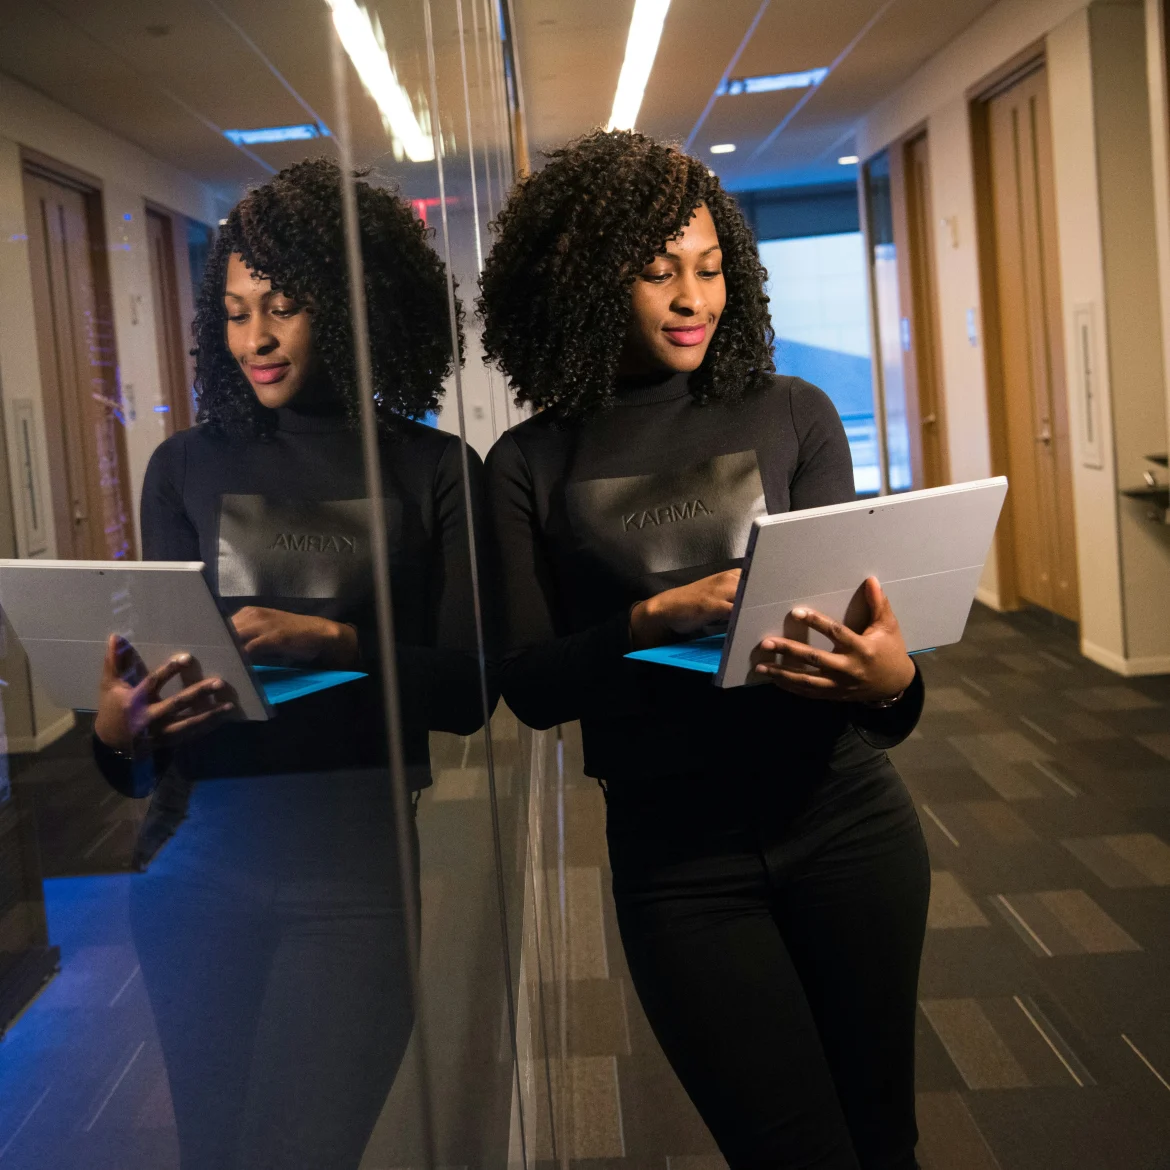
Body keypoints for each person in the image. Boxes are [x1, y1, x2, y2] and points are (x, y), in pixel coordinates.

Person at [479, 129, 930, 1170]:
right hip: (679, 864)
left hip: (847, 823)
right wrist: (648, 623)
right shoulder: (528, 463)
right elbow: (533, 688)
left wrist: (895, 683)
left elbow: (863, 652)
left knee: (883, 1140)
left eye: (711, 267)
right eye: (657, 272)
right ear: (590, 284)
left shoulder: (793, 413)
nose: (693, 297)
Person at [92, 157, 491, 1169]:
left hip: (353, 874)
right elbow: (147, 734)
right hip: (194, 863)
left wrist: (339, 644)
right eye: (234, 313)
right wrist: (115, 731)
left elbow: (472, 690)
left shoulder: (434, 472)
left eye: (282, 308)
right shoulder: (184, 468)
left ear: (357, 310)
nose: (257, 339)